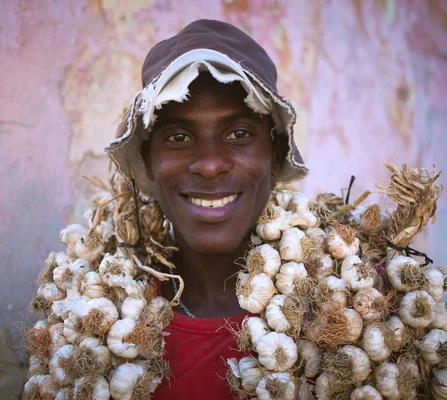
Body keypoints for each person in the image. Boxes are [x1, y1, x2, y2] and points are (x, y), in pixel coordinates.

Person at [106, 19, 308, 399]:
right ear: (150, 161)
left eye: (239, 134)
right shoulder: (98, 320)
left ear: (276, 155)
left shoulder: (353, 309)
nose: (210, 164)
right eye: (179, 137)